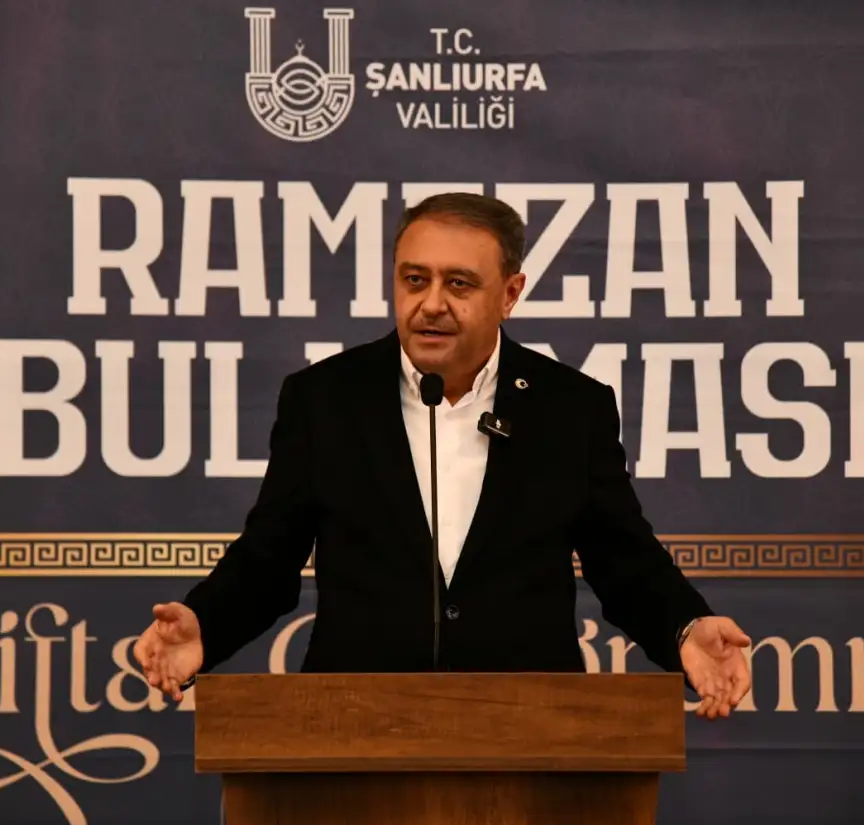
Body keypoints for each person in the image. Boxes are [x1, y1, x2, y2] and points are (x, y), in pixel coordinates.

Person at [134, 192, 752, 719]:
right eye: (415, 280)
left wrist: (685, 628)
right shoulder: (325, 400)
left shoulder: (570, 408)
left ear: (510, 293)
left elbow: (623, 561)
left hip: (529, 730)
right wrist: (204, 624)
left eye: (459, 284)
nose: (431, 303)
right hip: (353, 731)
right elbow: (268, 559)